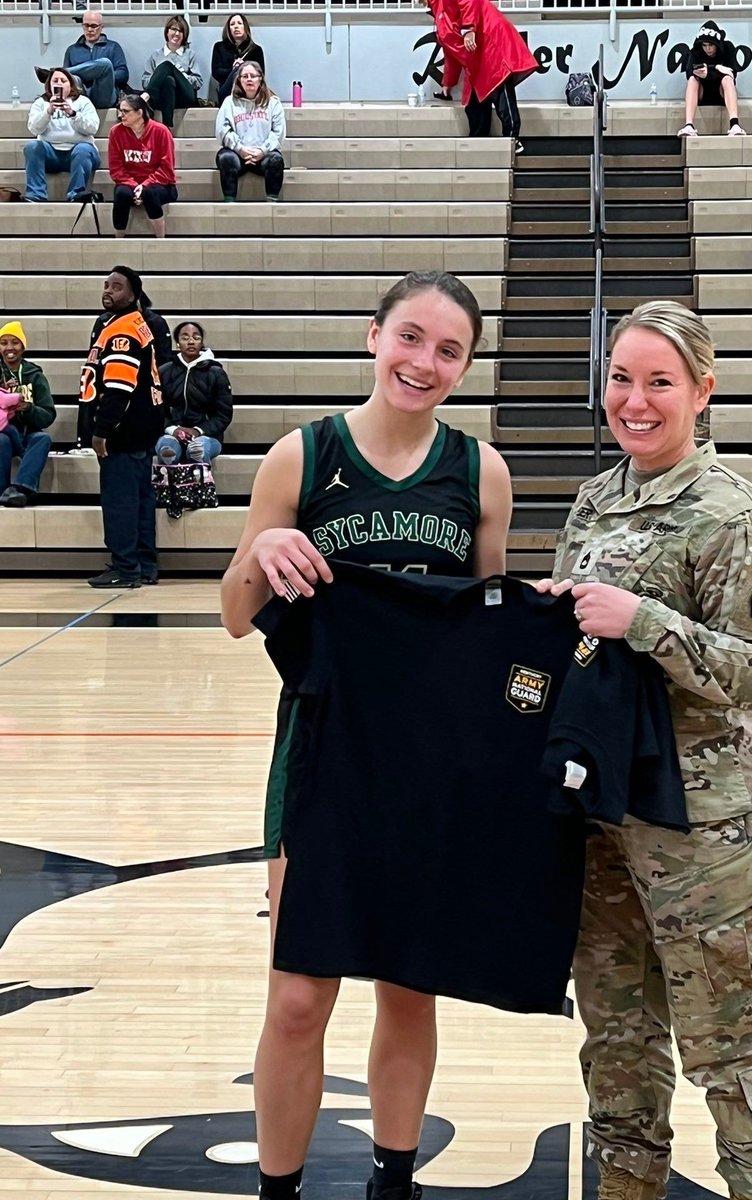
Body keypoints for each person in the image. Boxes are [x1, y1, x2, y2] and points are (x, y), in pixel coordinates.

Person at [220, 271, 513, 1200]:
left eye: (448, 350)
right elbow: (234, 613)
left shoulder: (481, 473)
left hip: (428, 765)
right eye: (411, 338)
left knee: (407, 985)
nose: (424, 362)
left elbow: (485, 631)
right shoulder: (301, 458)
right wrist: (260, 554)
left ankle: (396, 1181)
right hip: (320, 752)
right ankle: (280, 1189)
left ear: (465, 367)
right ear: (373, 335)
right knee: (299, 996)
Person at [538, 300, 752, 1200]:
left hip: (707, 832)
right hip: (605, 816)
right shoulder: (595, 498)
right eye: (622, 378)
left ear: (703, 391)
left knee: (733, 1041)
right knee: (616, 1039)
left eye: (660, 382)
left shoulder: (730, 515)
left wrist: (645, 621)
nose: (636, 400)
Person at [79, 267, 165, 588]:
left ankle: (125, 567)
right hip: (144, 430)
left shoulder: (121, 332)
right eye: (106, 285)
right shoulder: (136, 324)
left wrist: (101, 431)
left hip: (124, 432)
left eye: (117, 287)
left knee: (120, 502)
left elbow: (118, 388)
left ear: (133, 295)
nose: (108, 290)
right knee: (141, 501)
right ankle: (145, 565)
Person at [423, 0, 537, 152]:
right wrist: (448, 82)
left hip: (490, 42)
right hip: (476, 57)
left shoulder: (442, 6)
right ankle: (479, 145)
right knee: (474, 107)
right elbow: (451, 51)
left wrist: (469, 29)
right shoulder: (439, 13)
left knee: (501, 91)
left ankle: (512, 140)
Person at [157, 321, 233, 466]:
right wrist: (173, 429)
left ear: (202, 342)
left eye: (196, 337)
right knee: (167, 449)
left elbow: (223, 414)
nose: (191, 341)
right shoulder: (165, 371)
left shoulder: (216, 373)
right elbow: (156, 409)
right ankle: (168, 488)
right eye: (185, 337)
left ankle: (200, 487)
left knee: (197, 450)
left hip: (207, 436)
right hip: (171, 433)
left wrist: (198, 431)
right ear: (177, 343)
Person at [0, 321, 55, 509]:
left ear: (23, 347)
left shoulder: (35, 375)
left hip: (28, 433)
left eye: (15, 342)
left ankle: (21, 490)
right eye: (4, 343)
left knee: (42, 439)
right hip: (4, 432)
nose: (9, 348)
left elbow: (48, 414)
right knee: (1, 440)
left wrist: (28, 408)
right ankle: (2, 491)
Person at [23, 69, 100, 203]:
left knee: (83, 149)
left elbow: (92, 128)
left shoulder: (83, 102)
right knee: (31, 146)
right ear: (49, 85)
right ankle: (36, 194)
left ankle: (75, 194)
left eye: (63, 81)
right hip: (51, 154)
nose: (59, 83)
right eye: (55, 81)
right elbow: (34, 129)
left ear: (70, 85)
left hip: (79, 153)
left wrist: (72, 113)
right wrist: (48, 112)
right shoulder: (41, 103)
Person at [108, 94, 177, 239]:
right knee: (121, 194)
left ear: (139, 112)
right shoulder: (116, 132)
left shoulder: (161, 131)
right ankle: (118, 241)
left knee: (149, 193)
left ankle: (161, 240)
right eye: (120, 111)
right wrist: (135, 186)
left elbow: (166, 169)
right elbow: (116, 169)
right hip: (129, 182)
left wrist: (144, 186)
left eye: (125, 111)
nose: (121, 115)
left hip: (161, 183)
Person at [215, 64, 286, 202]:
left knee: (276, 160)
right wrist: (240, 148)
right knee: (226, 159)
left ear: (260, 79)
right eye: (245, 76)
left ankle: (272, 203)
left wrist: (262, 150)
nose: (249, 79)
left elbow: (278, 133)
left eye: (253, 76)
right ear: (239, 80)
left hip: (264, 154)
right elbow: (223, 130)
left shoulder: (273, 103)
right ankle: (229, 204)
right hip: (237, 154)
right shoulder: (229, 102)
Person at [678, 21, 744, 138]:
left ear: (717, 44)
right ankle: (689, 125)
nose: (707, 49)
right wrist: (717, 67)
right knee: (693, 79)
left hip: (721, 93)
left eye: (711, 45)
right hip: (702, 94)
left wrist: (708, 71)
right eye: (704, 45)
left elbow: (733, 73)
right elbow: (690, 71)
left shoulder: (727, 48)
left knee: (727, 79)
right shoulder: (695, 51)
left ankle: (734, 125)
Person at [52, 10, 129, 111]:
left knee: (105, 64)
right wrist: (86, 74)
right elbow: (66, 80)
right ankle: (61, 72)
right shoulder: (72, 50)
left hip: (104, 95)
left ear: (101, 27)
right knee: (72, 78)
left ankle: (55, 72)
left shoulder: (113, 47)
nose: (89, 29)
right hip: (81, 95)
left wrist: (103, 75)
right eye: (86, 25)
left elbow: (123, 75)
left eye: (93, 26)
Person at [140, 15, 203, 130]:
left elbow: (198, 82)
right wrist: (159, 78)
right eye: (173, 29)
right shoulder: (156, 55)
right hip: (160, 98)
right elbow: (145, 81)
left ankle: (146, 96)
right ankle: (167, 126)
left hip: (184, 96)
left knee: (167, 65)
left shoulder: (190, 54)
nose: (177, 34)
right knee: (168, 80)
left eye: (180, 31)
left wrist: (182, 75)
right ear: (167, 32)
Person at [211, 12, 266, 106]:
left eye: (239, 23)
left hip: (250, 91)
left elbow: (260, 75)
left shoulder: (256, 49)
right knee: (238, 69)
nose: (236, 26)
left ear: (245, 27)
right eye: (232, 24)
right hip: (226, 91)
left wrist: (243, 70)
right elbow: (216, 73)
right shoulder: (219, 47)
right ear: (228, 29)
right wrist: (233, 70)